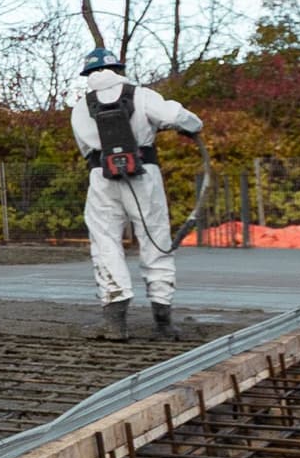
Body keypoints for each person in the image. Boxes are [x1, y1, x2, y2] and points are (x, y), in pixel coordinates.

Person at [70, 46, 205, 337]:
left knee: (105, 242)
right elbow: (178, 115)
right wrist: (191, 127)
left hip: (101, 176)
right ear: (118, 70)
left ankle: (114, 322)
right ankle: (163, 321)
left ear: (88, 74)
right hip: (144, 174)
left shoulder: (81, 108)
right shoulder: (141, 95)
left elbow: (84, 149)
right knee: (155, 239)